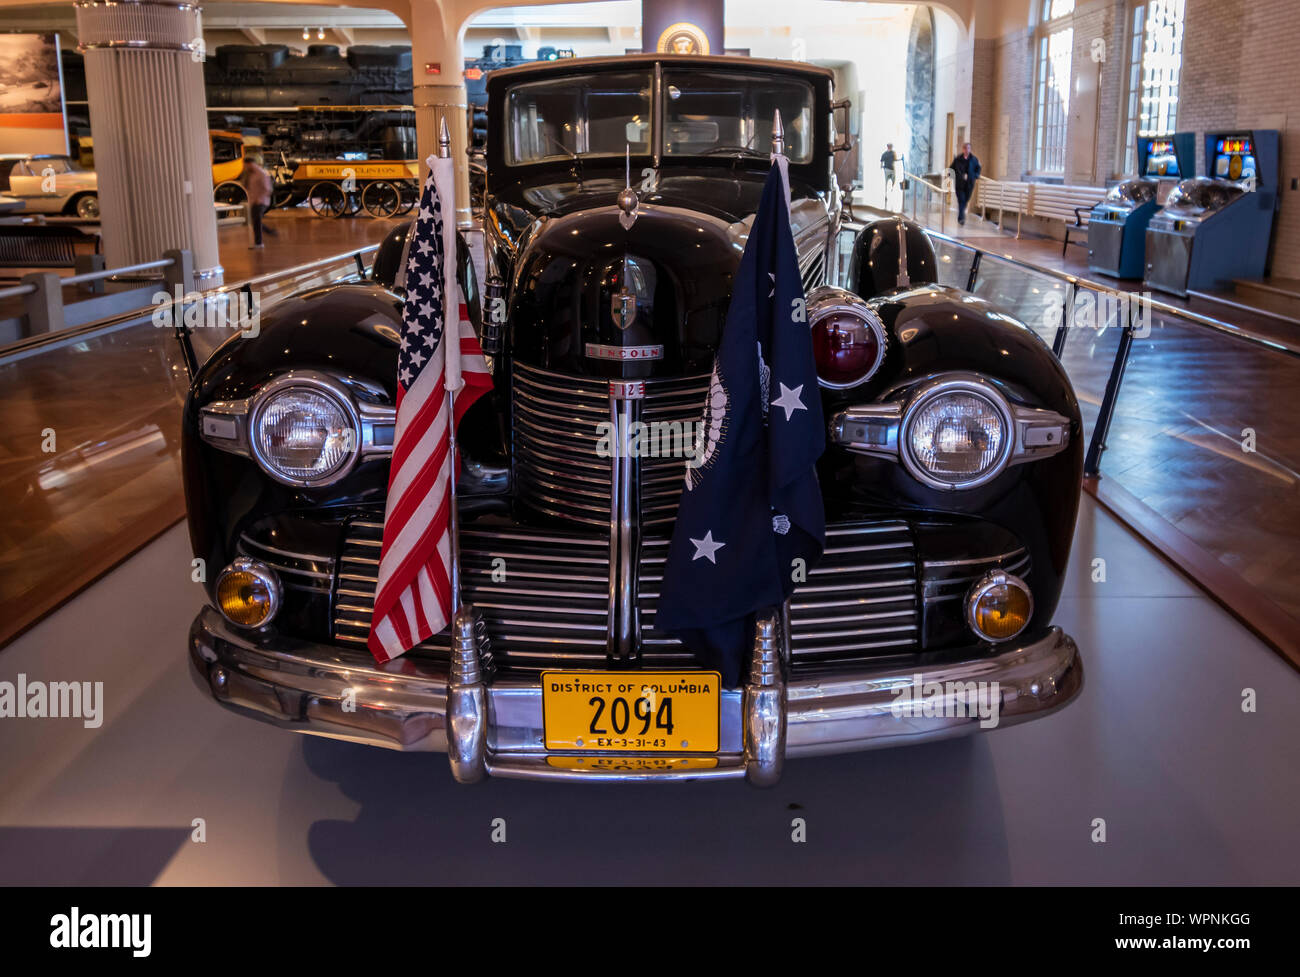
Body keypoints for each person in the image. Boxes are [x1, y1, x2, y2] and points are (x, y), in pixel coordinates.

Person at [239, 153, 276, 248]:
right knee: (256, 221)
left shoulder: (260, 173)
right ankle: (269, 232)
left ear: (250, 163)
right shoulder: (250, 174)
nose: (244, 166)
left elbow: (267, 189)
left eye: (245, 164)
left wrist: (259, 199)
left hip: (260, 202)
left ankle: (259, 243)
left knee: (256, 221)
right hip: (254, 201)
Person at [950, 142, 981, 225]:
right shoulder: (957, 159)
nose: (967, 150)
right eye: (966, 148)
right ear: (963, 149)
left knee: (965, 201)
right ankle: (961, 218)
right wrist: (955, 176)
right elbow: (951, 169)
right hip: (959, 184)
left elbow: (978, 170)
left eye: (969, 148)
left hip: (969, 184)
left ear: (970, 149)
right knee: (961, 200)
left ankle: (961, 215)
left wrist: (975, 176)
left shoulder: (974, 159)